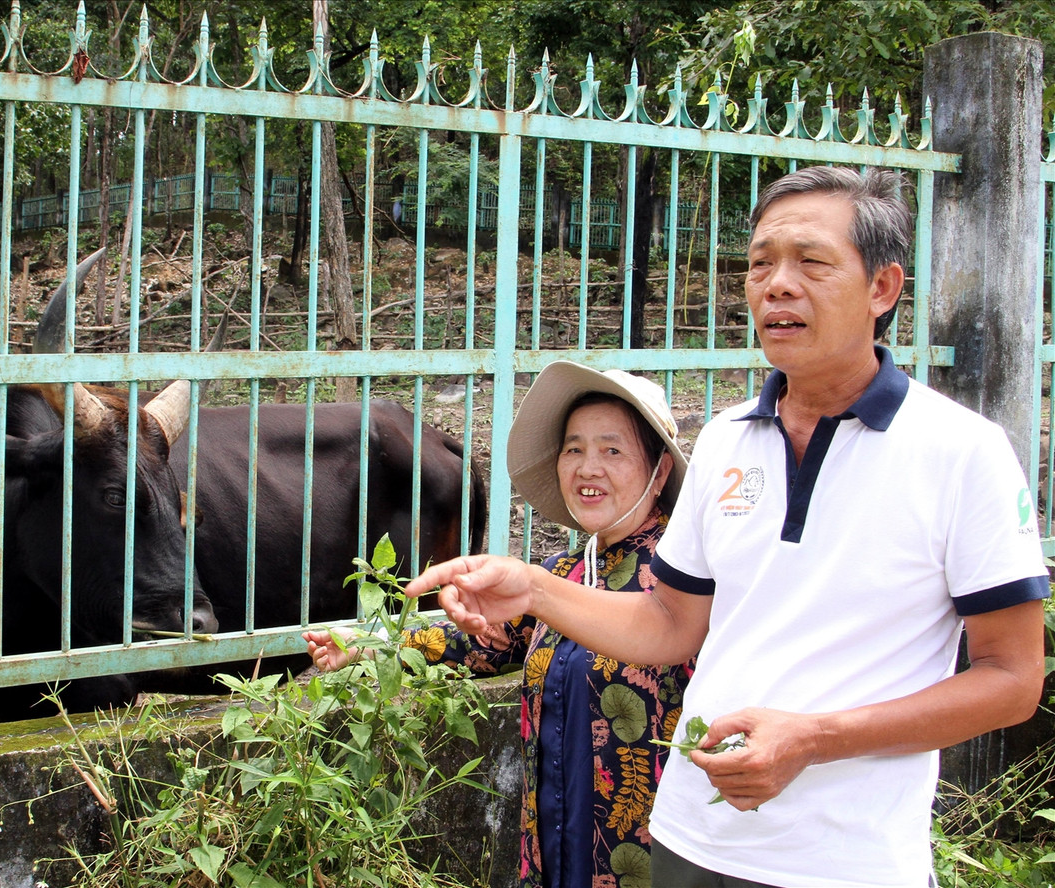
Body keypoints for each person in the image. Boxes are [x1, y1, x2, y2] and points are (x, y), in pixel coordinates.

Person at [400, 167, 1050, 888]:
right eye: (761, 263)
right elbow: (670, 623)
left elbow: (1013, 680)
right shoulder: (728, 439)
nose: (776, 284)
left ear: (882, 289)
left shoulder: (962, 452)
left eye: (811, 261)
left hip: (849, 863)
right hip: (689, 840)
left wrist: (814, 740)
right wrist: (531, 589)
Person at [304, 362, 695, 888]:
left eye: (613, 450)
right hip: (553, 845)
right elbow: (479, 641)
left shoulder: (689, 579)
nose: (587, 468)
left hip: (652, 857)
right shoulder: (563, 572)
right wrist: (373, 646)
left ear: (660, 471)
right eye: (574, 449)